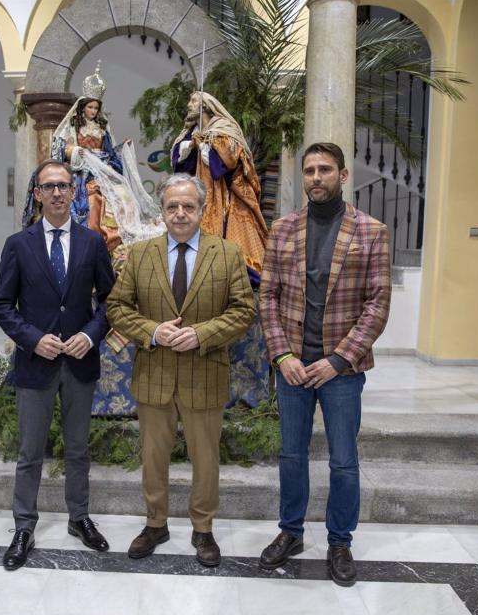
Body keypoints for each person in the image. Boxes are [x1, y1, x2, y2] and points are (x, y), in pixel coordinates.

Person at [258, 142, 391, 586]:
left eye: (325, 170)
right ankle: (290, 533)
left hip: (342, 372)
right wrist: (282, 356)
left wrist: (337, 360)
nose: (316, 177)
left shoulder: (371, 231)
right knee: (292, 456)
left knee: (343, 462)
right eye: (310, 170)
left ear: (343, 175)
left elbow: (377, 305)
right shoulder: (282, 229)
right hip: (293, 368)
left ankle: (339, 542)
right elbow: (268, 298)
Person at [107, 173, 255, 567]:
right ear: (162, 210)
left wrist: (202, 334)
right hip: (153, 374)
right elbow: (117, 308)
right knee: (153, 457)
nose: (180, 213)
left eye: (188, 206)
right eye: (172, 206)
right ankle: (155, 523)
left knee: (205, 459)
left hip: (204, 372)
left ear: (202, 210)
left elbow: (244, 310)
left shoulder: (227, 253)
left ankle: (203, 528)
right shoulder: (139, 254)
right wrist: (153, 331)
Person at [0, 159, 116, 571]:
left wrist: (90, 334)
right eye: (49, 186)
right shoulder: (18, 244)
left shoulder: (92, 242)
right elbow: (2, 305)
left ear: (75, 192)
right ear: (38, 194)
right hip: (37, 363)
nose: (58, 193)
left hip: (80, 362)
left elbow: (110, 302)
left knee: (78, 449)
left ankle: (79, 518)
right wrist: (32, 338)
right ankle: (24, 525)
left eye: (64, 185)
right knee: (30, 452)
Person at [25, 62, 163, 267]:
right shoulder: (73, 125)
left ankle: (113, 240)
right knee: (91, 197)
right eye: (90, 107)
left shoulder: (102, 128)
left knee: (121, 194)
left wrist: (122, 148)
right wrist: (75, 152)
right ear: (83, 106)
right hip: (81, 170)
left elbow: (110, 153)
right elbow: (59, 149)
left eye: (96, 107)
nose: (93, 110)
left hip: (102, 167)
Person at [170, 91, 268, 279]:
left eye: (193, 101)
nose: (189, 105)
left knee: (232, 241)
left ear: (205, 106)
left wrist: (204, 146)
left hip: (225, 195)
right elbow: (178, 160)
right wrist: (191, 145)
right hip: (197, 194)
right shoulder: (190, 132)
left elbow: (226, 163)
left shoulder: (224, 128)